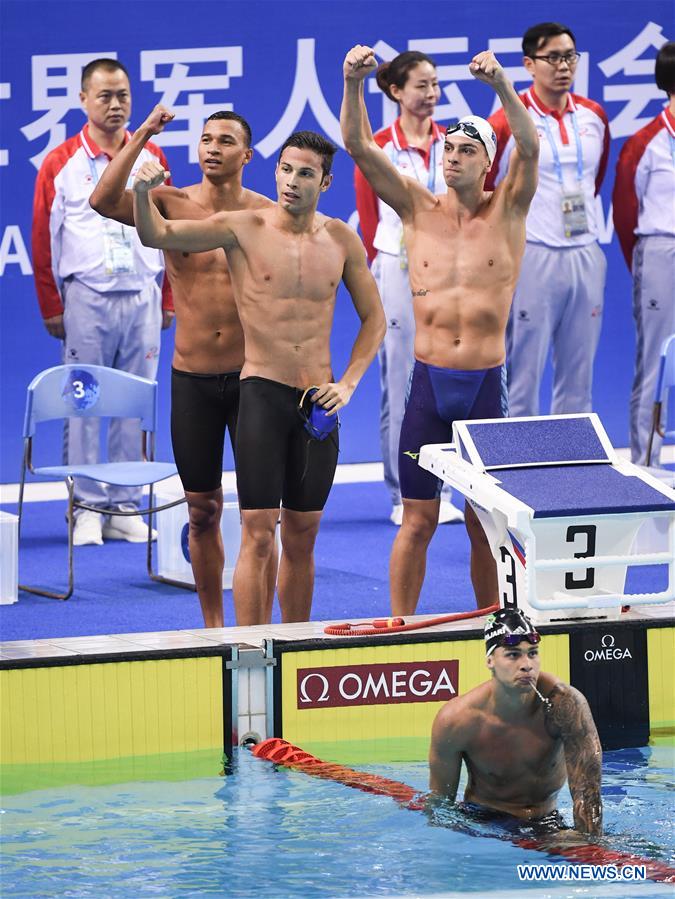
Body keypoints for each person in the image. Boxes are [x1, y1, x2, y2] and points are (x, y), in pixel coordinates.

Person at [132, 130, 386, 626]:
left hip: (318, 401)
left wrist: (350, 382)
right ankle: (251, 650)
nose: (292, 181)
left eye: (306, 173)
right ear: (275, 171)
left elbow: (375, 318)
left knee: (303, 535)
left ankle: (294, 645)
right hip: (262, 394)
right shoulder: (242, 227)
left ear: (326, 182)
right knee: (258, 531)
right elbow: (155, 236)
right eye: (286, 170)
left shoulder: (340, 239)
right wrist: (143, 196)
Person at [341, 46, 539, 614]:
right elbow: (358, 144)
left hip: (482, 389)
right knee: (417, 518)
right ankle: (398, 625)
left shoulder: (509, 212)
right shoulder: (415, 208)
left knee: (483, 524)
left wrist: (502, 85)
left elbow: (529, 144)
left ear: (488, 163)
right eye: (447, 148)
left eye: (465, 150)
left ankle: (491, 625)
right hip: (427, 387)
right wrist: (353, 82)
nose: (451, 157)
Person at [90, 104, 276, 628]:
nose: (212, 148)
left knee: (264, 521)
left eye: (224, 140)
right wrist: (143, 133)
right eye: (206, 139)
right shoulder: (169, 202)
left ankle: (263, 628)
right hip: (193, 379)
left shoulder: (266, 213)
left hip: (252, 381)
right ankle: (214, 628)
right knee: (202, 512)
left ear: (247, 154)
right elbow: (102, 200)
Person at [32, 58, 173, 547]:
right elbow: (43, 236)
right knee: (84, 401)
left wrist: (169, 292)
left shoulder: (150, 153)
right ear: (83, 100)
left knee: (136, 401)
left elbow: (170, 227)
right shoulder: (60, 162)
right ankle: (87, 506)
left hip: (143, 293)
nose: (115, 105)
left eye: (123, 96)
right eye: (104, 96)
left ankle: (126, 504)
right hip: (87, 297)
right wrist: (52, 303)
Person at [355, 51, 463, 527]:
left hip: (448, 272)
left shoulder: (454, 145)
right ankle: (404, 492)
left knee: (452, 379)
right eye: (421, 85)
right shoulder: (379, 147)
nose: (432, 94)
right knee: (401, 381)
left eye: (436, 84)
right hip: (397, 271)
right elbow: (369, 220)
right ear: (397, 92)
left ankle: (449, 487)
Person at [486, 22, 610, 418]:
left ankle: (572, 472)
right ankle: (518, 473)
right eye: (553, 57)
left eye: (570, 56)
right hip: (532, 256)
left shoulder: (594, 116)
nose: (564, 66)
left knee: (579, 375)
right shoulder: (507, 120)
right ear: (528, 64)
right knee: (523, 372)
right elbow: (486, 189)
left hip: (585, 252)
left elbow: (596, 179)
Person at [428, 607, 603, 836]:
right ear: (490, 660)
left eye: (532, 653)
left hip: (546, 823)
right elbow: (440, 805)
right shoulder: (457, 720)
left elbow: (588, 792)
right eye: (513, 654)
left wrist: (591, 848)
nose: (526, 664)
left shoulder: (565, 705)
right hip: (482, 823)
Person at [613, 41, 675, 467]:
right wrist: (647, 262)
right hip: (661, 252)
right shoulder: (645, 142)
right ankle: (647, 466)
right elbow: (624, 212)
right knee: (656, 360)